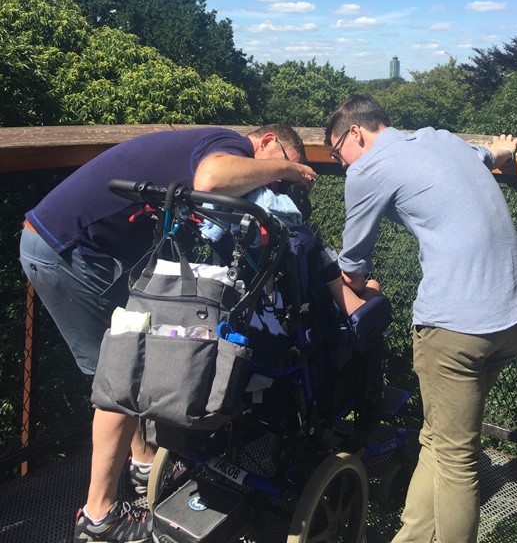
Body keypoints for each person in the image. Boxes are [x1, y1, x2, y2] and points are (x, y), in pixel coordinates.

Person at [19, 124, 316, 543]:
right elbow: (212, 179)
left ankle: (142, 465)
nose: (280, 180)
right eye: (282, 163)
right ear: (266, 142)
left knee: (133, 356)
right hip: (69, 250)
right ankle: (99, 517)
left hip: (69, 246)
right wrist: (288, 168)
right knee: (119, 375)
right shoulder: (227, 143)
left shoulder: (204, 146)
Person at [324, 95, 517, 543]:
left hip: (457, 329)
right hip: (516, 319)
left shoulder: (367, 168)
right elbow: (484, 155)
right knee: (437, 438)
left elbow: (353, 268)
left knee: (458, 459)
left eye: (335, 152)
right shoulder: (437, 138)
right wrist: (502, 152)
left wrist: (352, 288)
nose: (339, 164)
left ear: (355, 134)